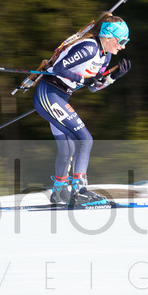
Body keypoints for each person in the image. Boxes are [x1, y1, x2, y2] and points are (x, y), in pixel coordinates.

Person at [33, 14, 131, 206]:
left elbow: (94, 86)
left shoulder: (105, 55)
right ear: (108, 37)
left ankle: (59, 193)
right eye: (122, 40)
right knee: (85, 139)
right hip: (49, 93)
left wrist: (113, 77)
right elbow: (59, 68)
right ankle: (79, 189)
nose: (123, 46)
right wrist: (84, 80)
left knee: (67, 148)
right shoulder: (89, 48)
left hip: (60, 96)